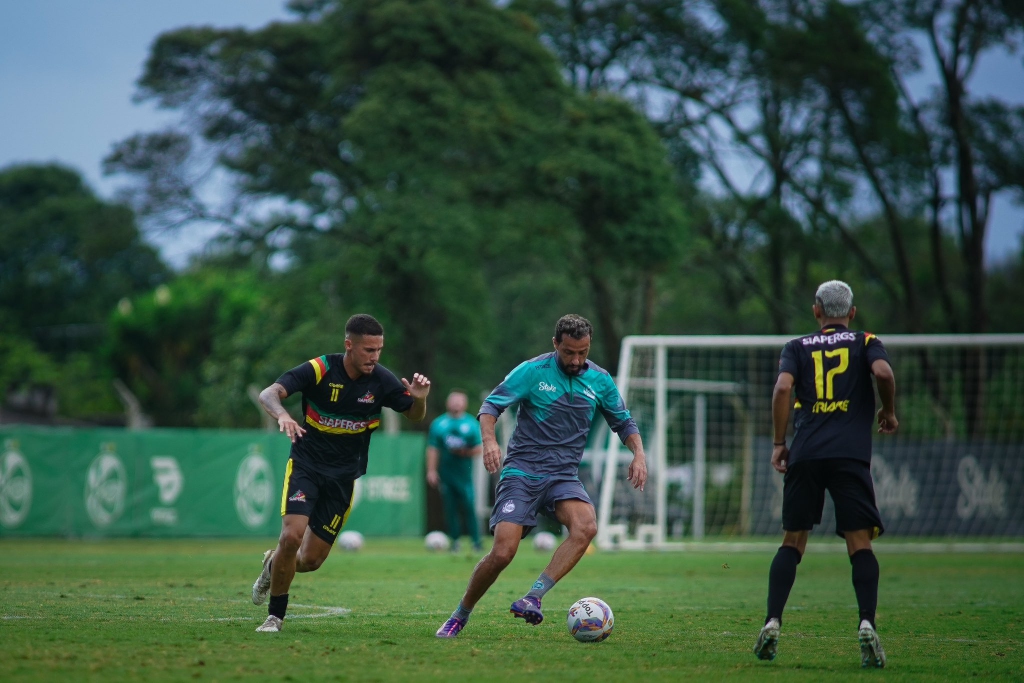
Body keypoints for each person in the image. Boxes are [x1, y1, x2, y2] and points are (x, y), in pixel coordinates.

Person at [435, 314, 647, 638]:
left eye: (583, 352)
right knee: (503, 552)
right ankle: (460, 614)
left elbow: (624, 422)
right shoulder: (533, 371)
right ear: (555, 344)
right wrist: (490, 442)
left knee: (586, 526)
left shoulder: (600, 380)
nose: (576, 360)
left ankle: (533, 597)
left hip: (563, 476)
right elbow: (490, 407)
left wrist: (639, 454)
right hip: (522, 472)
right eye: (569, 352)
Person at [251, 314, 431, 633]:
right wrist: (282, 416)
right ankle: (275, 616)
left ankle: (272, 565)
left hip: (343, 479)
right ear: (349, 345)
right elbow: (268, 393)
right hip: (306, 466)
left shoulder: (382, 380)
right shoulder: (320, 369)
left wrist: (420, 400)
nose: (374, 357)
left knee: (310, 560)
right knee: (291, 536)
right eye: (368, 350)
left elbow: (415, 416)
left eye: (379, 350)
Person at [753, 280, 897, 668]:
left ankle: (772, 621)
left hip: (807, 453)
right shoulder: (866, 341)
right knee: (860, 543)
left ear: (816, 311)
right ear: (852, 313)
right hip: (849, 455)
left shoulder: (796, 347)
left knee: (792, 541)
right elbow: (884, 374)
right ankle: (866, 623)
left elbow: (782, 388)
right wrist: (888, 411)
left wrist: (779, 442)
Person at [426, 390, 484, 552]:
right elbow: (433, 448)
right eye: (453, 400)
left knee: (469, 506)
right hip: (446, 473)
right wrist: (431, 470)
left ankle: (476, 541)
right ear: (447, 403)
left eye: (459, 401)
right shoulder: (439, 424)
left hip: (465, 475)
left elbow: (479, 448)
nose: (456, 404)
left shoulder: (471, 424)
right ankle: (455, 542)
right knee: (450, 508)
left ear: (465, 404)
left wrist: (463, 452)